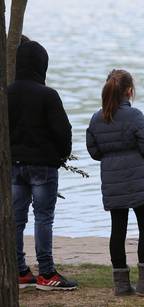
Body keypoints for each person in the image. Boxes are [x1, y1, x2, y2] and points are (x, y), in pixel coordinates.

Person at [86, 69, 144, 296]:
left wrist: (111, 159)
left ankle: (121, 284)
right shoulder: (135, 116)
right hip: (137, 177)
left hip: (111, 179)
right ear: (129, 91)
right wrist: (137, 157)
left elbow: (93, 150)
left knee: (117, 229)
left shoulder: (97, 118)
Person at [8, 39, 77, 291]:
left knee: (16, 219)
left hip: (14, 165)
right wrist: (60, 157)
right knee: (43, 217)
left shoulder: (7, 93)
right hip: (43, 166)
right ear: (41, 65)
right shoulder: (48, 95)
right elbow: (63, 131)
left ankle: (18, 270)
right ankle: (46, 272)